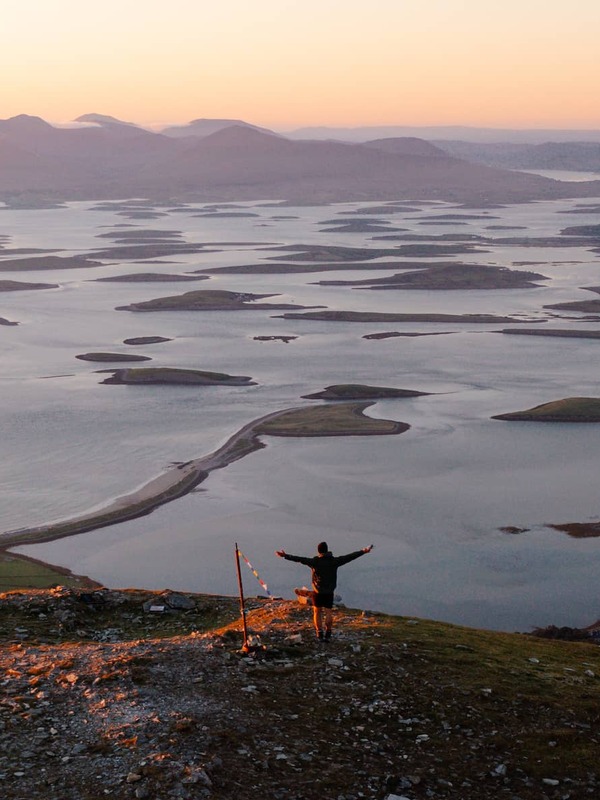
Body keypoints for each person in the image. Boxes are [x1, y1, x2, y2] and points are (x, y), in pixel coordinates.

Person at [275, 541, 373, 641]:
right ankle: (328, 632)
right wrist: (363, 551)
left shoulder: (315, 561)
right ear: (327, 550)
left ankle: (319, 632)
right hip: (329, 592)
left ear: (318, 551)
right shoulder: (334, 561)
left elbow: (299, 559)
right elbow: (349, 557)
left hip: (317, 592)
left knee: (317, 612)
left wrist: (285, 555)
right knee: (328, 612)